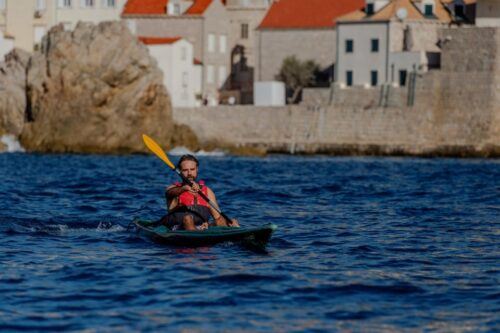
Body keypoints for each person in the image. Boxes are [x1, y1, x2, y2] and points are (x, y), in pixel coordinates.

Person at [163, 154, 239, 231]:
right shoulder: (174, 189)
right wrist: (184, 188)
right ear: (180, 171)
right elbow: (169, 193)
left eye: (192, 169)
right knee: (188, 218)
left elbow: (218, 219)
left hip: (200, 228)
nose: (189, 173)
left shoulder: (207, 192)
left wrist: (229, 225)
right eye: (185, 170)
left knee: (232, 221)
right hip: (178, 228)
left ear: (197, 169)